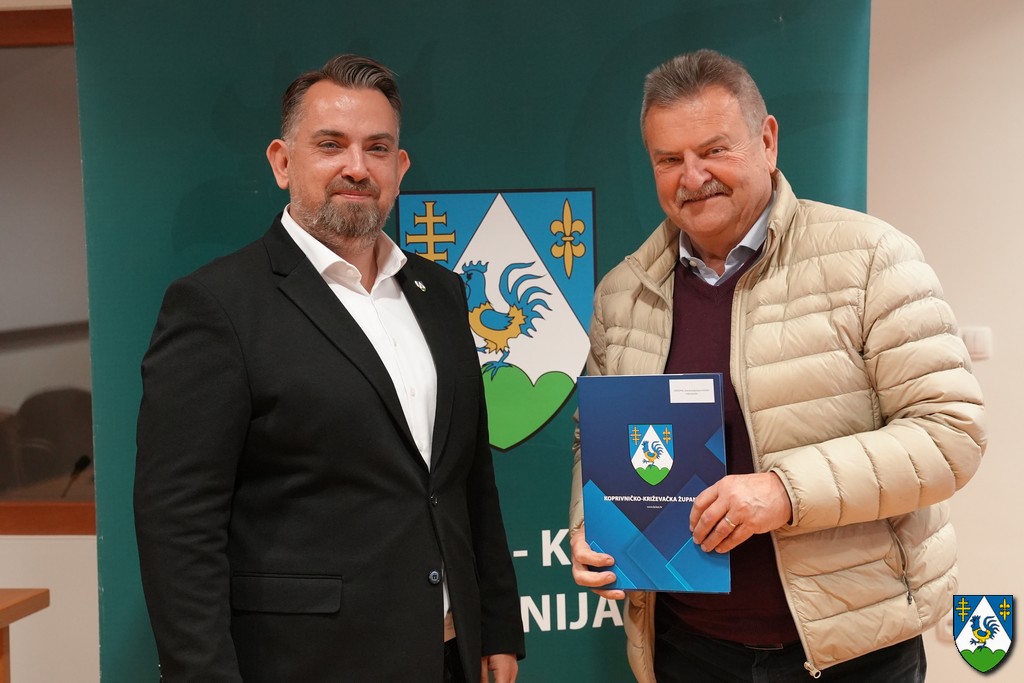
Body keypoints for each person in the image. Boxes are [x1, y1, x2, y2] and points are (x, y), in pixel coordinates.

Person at [569, 49, 985, 682]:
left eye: (714, 150)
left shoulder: (871, 259)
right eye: (669, 159)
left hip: (852, 652)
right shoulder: (622, 294)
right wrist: (591, 526)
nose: (693, 177)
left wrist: (785, 492)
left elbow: (950, 434)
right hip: (688, 649)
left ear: (767, 141)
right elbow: (594, 441)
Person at [135, 54, 524, 683]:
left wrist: (498, 625)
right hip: (305, 664)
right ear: (282, 162)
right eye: (330, 144)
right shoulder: (216, 306)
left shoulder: (442, 293)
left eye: (377, 148)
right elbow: (178, 525)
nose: (356, 167)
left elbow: (468, 479)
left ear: (399, 168)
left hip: (450, 654)